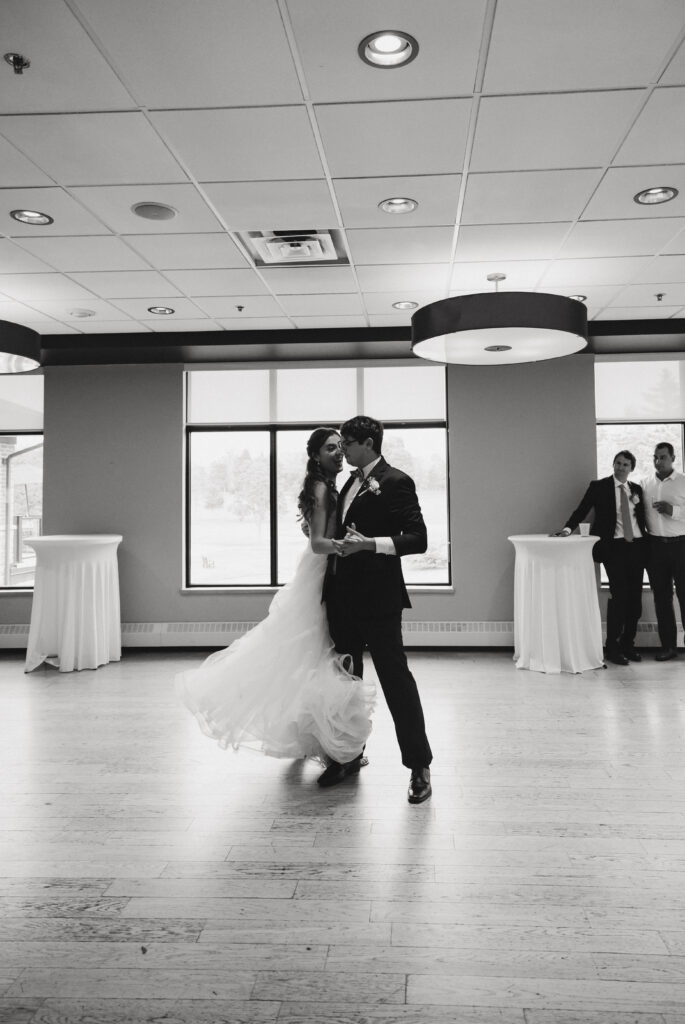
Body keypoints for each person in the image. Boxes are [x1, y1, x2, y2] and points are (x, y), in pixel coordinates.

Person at [176, 428, 375, 765]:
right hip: (321, 570)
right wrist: (352, 545)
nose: (338, 452)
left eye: (341, 447)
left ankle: (332, 740)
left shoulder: (328, 484)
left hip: (325, 569)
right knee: (320, 655)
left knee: (317, 658)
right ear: (315, 456)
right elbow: (317, 542)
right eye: (330, 448)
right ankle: (338, 744)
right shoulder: (320, 487)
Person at [319, 415, 433, 804]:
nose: (343, 451)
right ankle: (348, 756)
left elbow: (418, 539)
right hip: (342, 598)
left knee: (396, 681)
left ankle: (419, 766)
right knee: (346, 683)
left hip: (379, 600)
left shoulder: (397, 481)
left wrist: (371, 545)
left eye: (347, 444)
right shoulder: (348, 482)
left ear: (367, 443)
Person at [554, 450, 646, 666]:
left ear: (631, 468)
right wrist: (568, 528)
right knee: (619, 597)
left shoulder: (637, 489)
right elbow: (582, 510)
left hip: (637, 547)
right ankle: (612, 647)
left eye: (626, 464)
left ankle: (628, 645)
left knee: (635, 600)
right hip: (613, 548)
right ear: (613, 464)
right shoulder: (599, 487)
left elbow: (642, 519)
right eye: (618, 463)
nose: (621, 467)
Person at [642, 442, 685, 661]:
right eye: (655, 457)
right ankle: (668, 647)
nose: (658, 462)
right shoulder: (645, 484)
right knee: (662, 599)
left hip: (681, 546)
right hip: (655, 548)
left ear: (673, 458)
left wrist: (673, 510)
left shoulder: (683, 482)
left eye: (663, 457)